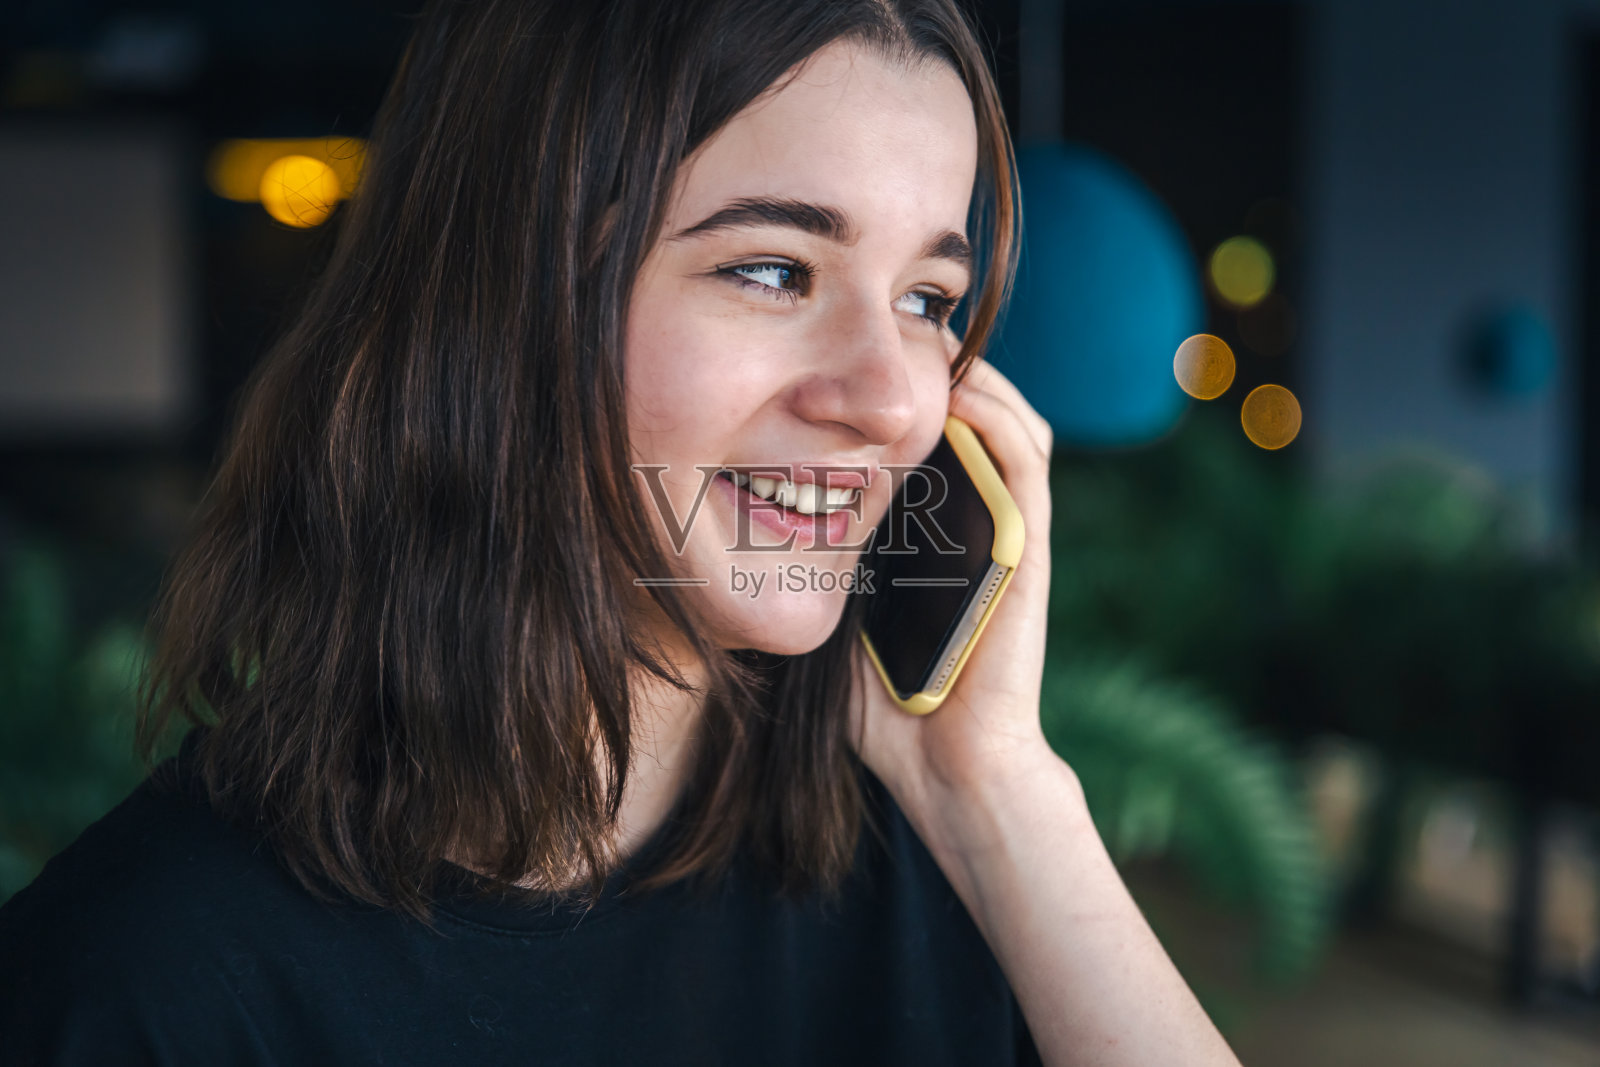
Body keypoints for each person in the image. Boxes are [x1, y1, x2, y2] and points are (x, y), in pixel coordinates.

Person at [0, 0, 1242, 1063]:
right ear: (506, 301)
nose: (891, 400)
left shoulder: (946, 872)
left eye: (929, 299)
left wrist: (998, 791)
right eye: (773, 270)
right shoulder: (141, 980)